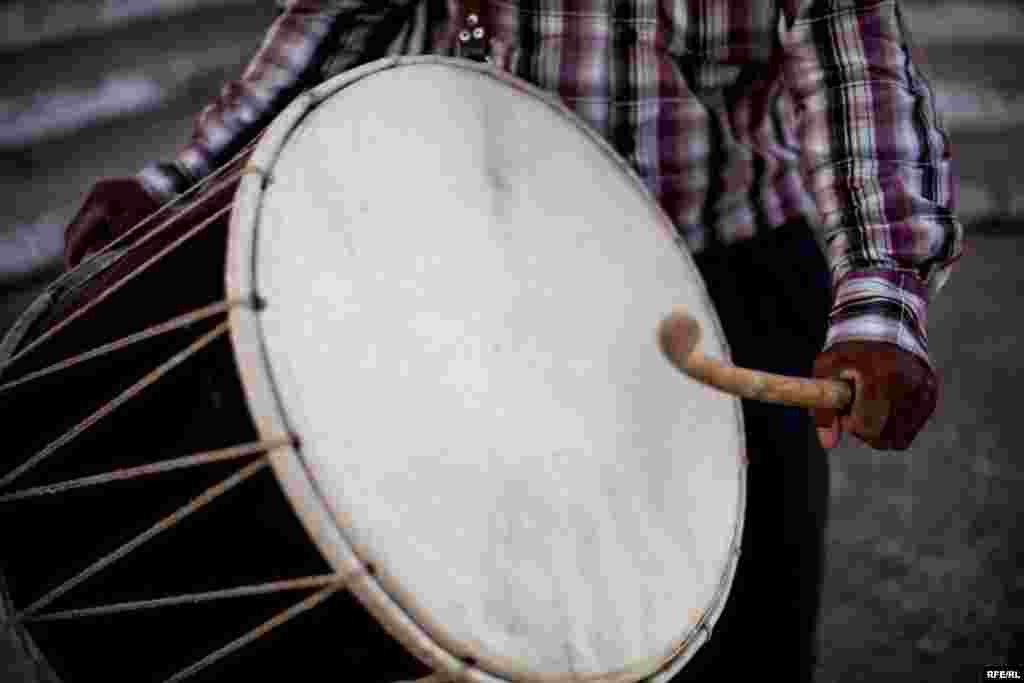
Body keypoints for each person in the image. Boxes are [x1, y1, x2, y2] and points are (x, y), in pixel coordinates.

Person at [61, 1, 963, 680]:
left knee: (743, 631)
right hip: (486, 257)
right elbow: (340, 21)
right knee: (479, 601)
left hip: (728, 272)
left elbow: (856, 76)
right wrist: (188, 178)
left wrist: (881, 298)